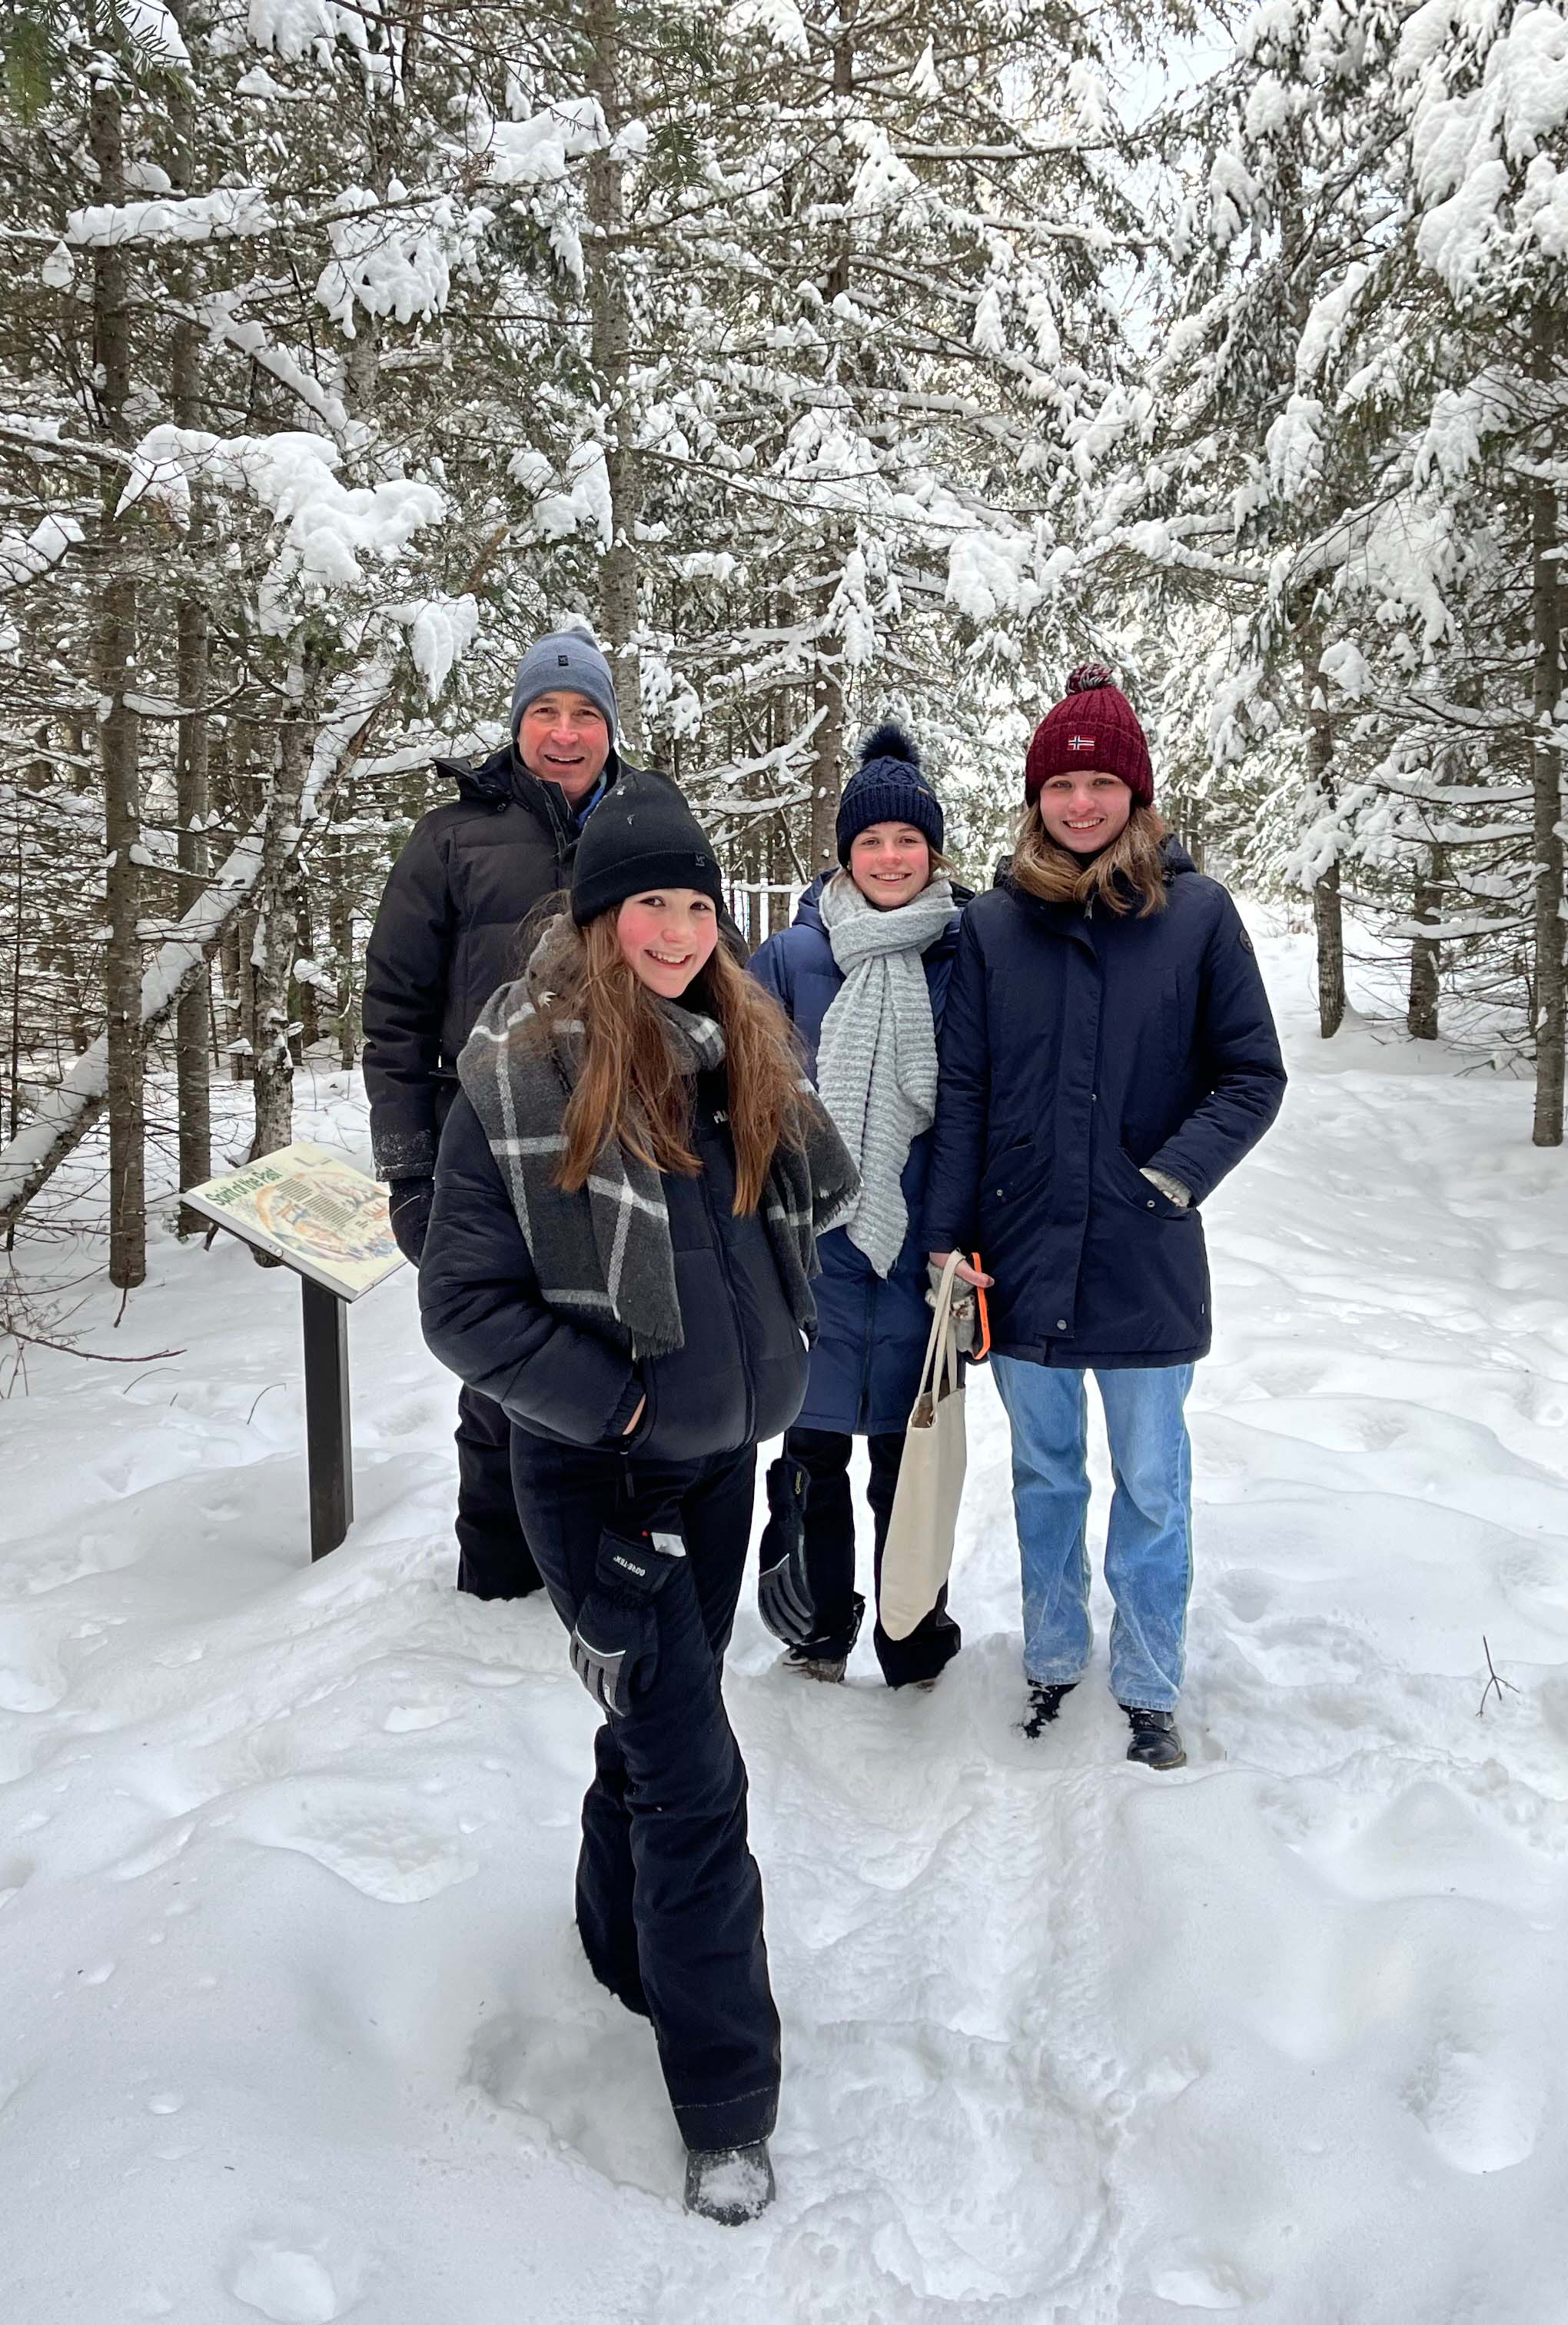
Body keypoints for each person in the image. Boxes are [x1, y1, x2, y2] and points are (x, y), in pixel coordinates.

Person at [417, 767, 857, 2221]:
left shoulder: (742, 1045)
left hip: (718, 1462)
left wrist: (775, 1375)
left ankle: (617, 1945)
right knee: (696, 1774)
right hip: (599, 1471)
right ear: (596, 917)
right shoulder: (525, 1067)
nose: (675, 928)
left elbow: (807, 1213)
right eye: (646, 903)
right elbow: (464, 1310)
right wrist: (617, 1400)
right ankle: (726, 2102)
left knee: (653, 1726)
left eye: (695, 902)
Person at [923, 664, 1286, 1769]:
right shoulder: (991, 927)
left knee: (1153, 1484)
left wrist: (1170, 1178)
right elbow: (966, 1090)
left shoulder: (1200, 918)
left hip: (1143, 1255)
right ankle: (1051, 1656)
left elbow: (1251, 1075)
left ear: (1136, 793)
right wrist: (949, 1237)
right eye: (1062, 784)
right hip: (1021, 1251)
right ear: (1036, 797)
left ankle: (1149, 1683)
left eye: (1101, 783)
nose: (1081, 804)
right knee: (1044, 1474)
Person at [362, 630, 630, 1602]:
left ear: (611, 725)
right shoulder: (449, 838)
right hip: (482, 1155)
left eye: (585, 714)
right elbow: (392, 1016)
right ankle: (500, 1589)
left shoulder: (643, 821)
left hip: (619, 1147)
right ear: (518, 722)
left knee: (620, 1355)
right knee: (500, 1374)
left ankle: (604, 1569)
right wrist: (410, 1169)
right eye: (546, 713)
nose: (565, 734)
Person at [749, 722, 967, 1689]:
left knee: (906, 1467)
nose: (889, 858)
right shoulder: (792, 959)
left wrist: (962, 1239)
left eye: (908, 842)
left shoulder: (963, 955)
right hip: (814, 1257)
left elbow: (977, 1107)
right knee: (813, 1457)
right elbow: (741, 1100)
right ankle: (816, 1630)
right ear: (844, 853)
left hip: (921, 1250)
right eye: (871, 841)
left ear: (933, 853)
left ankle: (911, 1636)